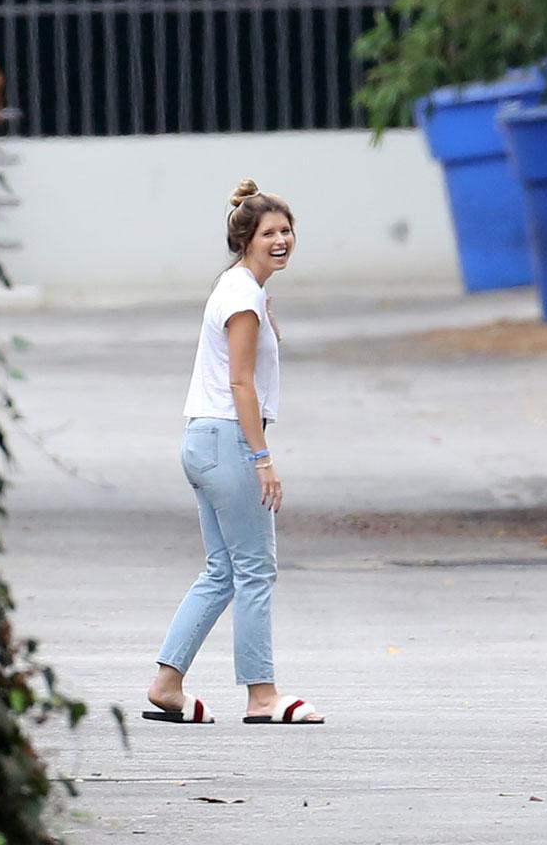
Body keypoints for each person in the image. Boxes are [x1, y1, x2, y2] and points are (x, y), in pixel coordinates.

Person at [143, 178, 323, 726]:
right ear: (245, 239)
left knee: (223, 569)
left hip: (203, 439)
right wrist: (261, 459)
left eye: (287, 231)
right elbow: (241, 384)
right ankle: (262, 696)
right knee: (254, 570)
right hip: (228, 441)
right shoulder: (242, 297)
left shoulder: (242, 289)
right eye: (269, 232)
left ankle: (167, 684)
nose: (281, 240)